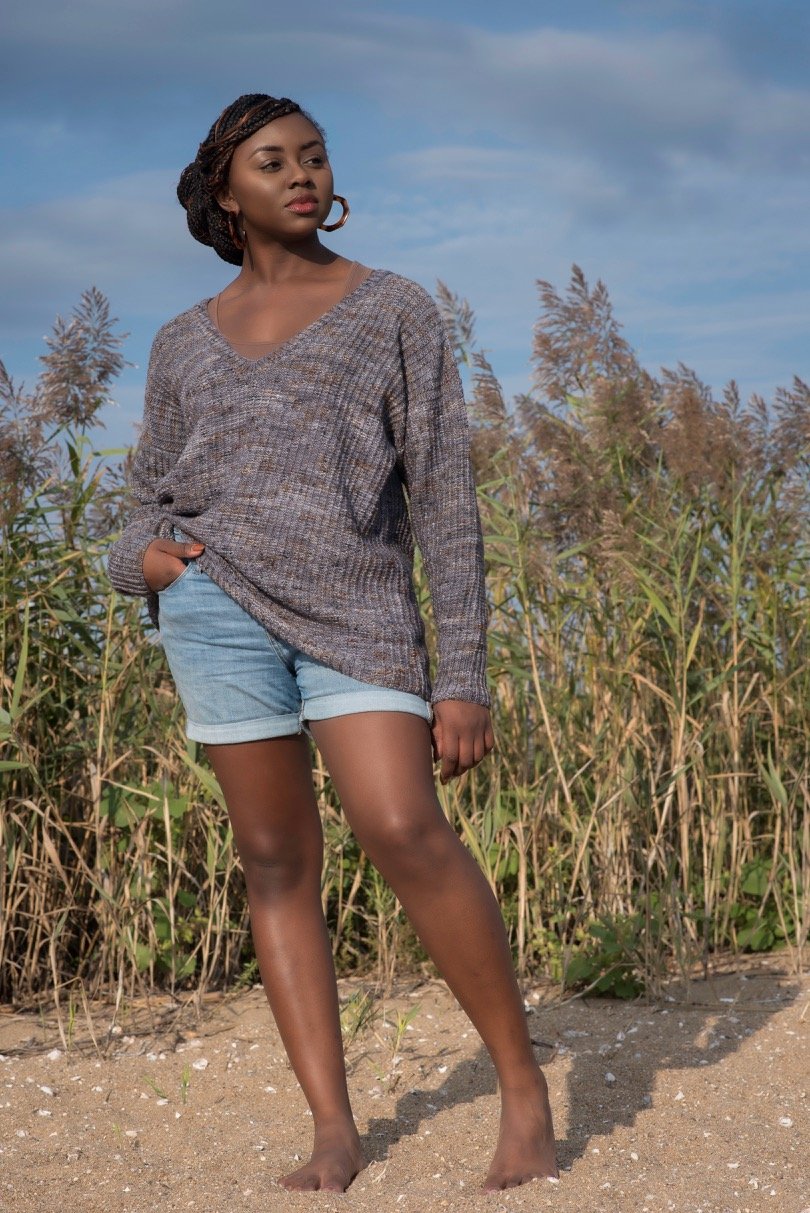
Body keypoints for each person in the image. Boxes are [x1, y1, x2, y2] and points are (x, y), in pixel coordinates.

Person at [106, 92, 557, 1194]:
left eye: (313, 157)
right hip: (216, 612)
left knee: (404, 827)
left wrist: (461, 675)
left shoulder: (394, 309)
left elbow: (443, 496)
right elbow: (142, 493)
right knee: (275, 864)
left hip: (359, 613)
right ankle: (332, 1131)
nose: (301, 175)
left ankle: (524, 1090)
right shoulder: (180, 341)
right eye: (273, 162)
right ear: (227, 190)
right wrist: (149, 563)